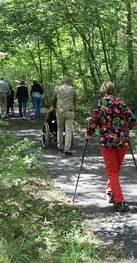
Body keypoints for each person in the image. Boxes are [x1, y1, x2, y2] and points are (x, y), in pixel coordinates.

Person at [85, 81, 136, 213]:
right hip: (122, 141)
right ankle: (110, 192)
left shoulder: (100, 105)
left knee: (113, 171)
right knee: (115, 170)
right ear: (113, 90)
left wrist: (88, 134)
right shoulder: (121, 103)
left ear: (103, 90)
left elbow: (92, 123)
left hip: (107, 142)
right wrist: (126, 129)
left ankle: (119, 200)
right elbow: (132, 120)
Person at [53, 76, 76, 156]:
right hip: (70, 111)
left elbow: (54, 99)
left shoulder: (58, 88)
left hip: (60, 111)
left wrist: (54, 107)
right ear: (68, 82)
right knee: (68, 131)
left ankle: (60, 147)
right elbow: (74, 99)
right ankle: (67, 149)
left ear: (62, 82)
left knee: (60, 129)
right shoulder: (72, 89)